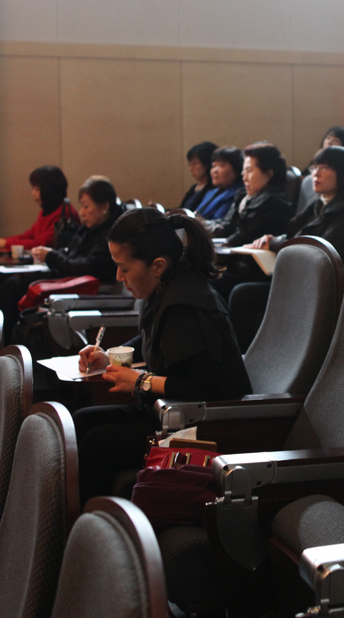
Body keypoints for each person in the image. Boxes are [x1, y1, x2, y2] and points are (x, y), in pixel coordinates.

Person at [73, 208, 251, 500]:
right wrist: (108, 355)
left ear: (157, 265)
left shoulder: (186, 305)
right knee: (81, 421)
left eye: (124, 268)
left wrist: (139, 381)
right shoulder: (165, 284)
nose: (118, 276)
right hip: (171, 412)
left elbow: (199, 386)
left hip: (204, 428)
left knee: (96, 443)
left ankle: (98, 522)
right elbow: (154, 340)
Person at [231, 146, 344, 349]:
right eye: (315, 167)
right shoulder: (319, 204)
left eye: (325, 168)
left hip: (319, 286)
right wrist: (274, 239)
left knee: (242, 294)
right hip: (300, 277)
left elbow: (319, 251)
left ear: (343, 173)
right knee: (233, 280)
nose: (316, 173)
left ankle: (243, 357)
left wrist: (277, 243)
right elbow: (297, 235)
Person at [0, 177, 122, 338]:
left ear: (104, 206)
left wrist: (52, 257)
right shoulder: (89, 229)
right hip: (66, 279)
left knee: (13, 287)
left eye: (86, 206)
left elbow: (87, 267)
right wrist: (51, 255)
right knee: (6, 283)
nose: (81, 212)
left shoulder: (109, 235)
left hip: (79, 288)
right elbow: (70, 253)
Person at [205, 142, 293, 247]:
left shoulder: (274, 203)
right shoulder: (244, 196)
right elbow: (227, 226)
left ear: (268, 174)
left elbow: (243, 236)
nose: (244, 178)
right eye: (244, 171)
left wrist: (221, 245)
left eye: (249, 170)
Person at [0, 166, 78, 252]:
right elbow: (30, 235)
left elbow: (41, 244)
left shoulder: (65, 213)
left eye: (37, 189)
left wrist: (5, 243)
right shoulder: (48, 209)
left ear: (49, 190)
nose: (32, 194)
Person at [193, 146, 244, 221]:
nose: (215, 171)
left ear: (236, 170)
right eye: (213, 166)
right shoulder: (212, 192)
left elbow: (219, 222)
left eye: (221, 165)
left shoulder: (237, 194)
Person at [179, 142, 217, 210]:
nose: (190, 169)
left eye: (194, 163)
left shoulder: (213, 189)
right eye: (190, 164)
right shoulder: (194, 188)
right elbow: (182, 209)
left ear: (207, 163)